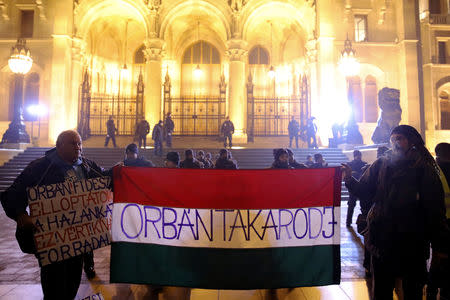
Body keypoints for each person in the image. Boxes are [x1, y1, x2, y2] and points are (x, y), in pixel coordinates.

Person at [342, 125, 449, 300]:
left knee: (413, 290)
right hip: (382, 241)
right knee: (382, 291)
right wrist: (348, 178)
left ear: (412, 141)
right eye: (393, 139)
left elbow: (434, 210)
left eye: (400, 138)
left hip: (413, 242)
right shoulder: (381, 164)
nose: (396, 143)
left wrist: (440, 246)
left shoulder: (425, 168)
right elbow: (364, 190)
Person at [1, 130, 106, 299]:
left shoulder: (86, 166)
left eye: (79, 143)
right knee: (54, 288)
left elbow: (105, 178)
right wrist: (21, 215)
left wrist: (120, 172)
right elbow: (12, 194)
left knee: (72, 283)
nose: (78, 147)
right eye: (73, 143)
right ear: (59, 146)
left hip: (77, 241)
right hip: (51, 242)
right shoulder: (40, 167)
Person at [427, 142, 450, 300]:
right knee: (442, 257)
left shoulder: (432, 169)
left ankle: (432, 289)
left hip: (436, 221)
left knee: (438, 256)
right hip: (445, 221)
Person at [346, 150, 368, 226]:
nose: (359, 157)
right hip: (355, 186)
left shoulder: (363, 164)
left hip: (359, 186)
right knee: (352, 204)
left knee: (355, 204)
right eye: (358, 155)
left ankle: (349, 221)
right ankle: (348, 221)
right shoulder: (351, 164)